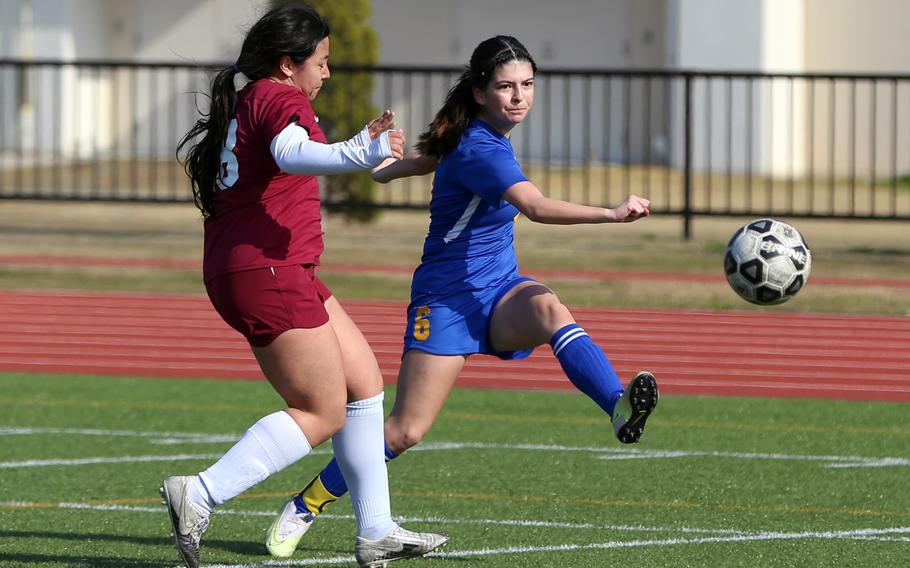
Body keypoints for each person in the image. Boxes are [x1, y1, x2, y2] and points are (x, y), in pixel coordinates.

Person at [263, 35, 660, 558]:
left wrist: (390, 166)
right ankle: (307, 503)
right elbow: (535, 207)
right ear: (479, 92)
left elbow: (419, 161)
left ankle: (616, 406)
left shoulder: (473, 135)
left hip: (499, 289)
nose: (519, 97)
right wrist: (611, 214)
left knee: (549, 308)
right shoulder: (480, 147)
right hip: (446, 301)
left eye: (527, 85)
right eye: (506, 87)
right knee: (404, 431)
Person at [162, 5, 447, 568]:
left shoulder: (257, 98)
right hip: (266, 270)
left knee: (364, 387)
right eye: (322, 61)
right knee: (322, 411)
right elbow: (290, 154)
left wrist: (359, 152)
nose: (328, 72)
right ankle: (202, 492)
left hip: (273, 268)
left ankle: (376, 531)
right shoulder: (279, 96)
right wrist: (357, 153)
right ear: (289, 64)